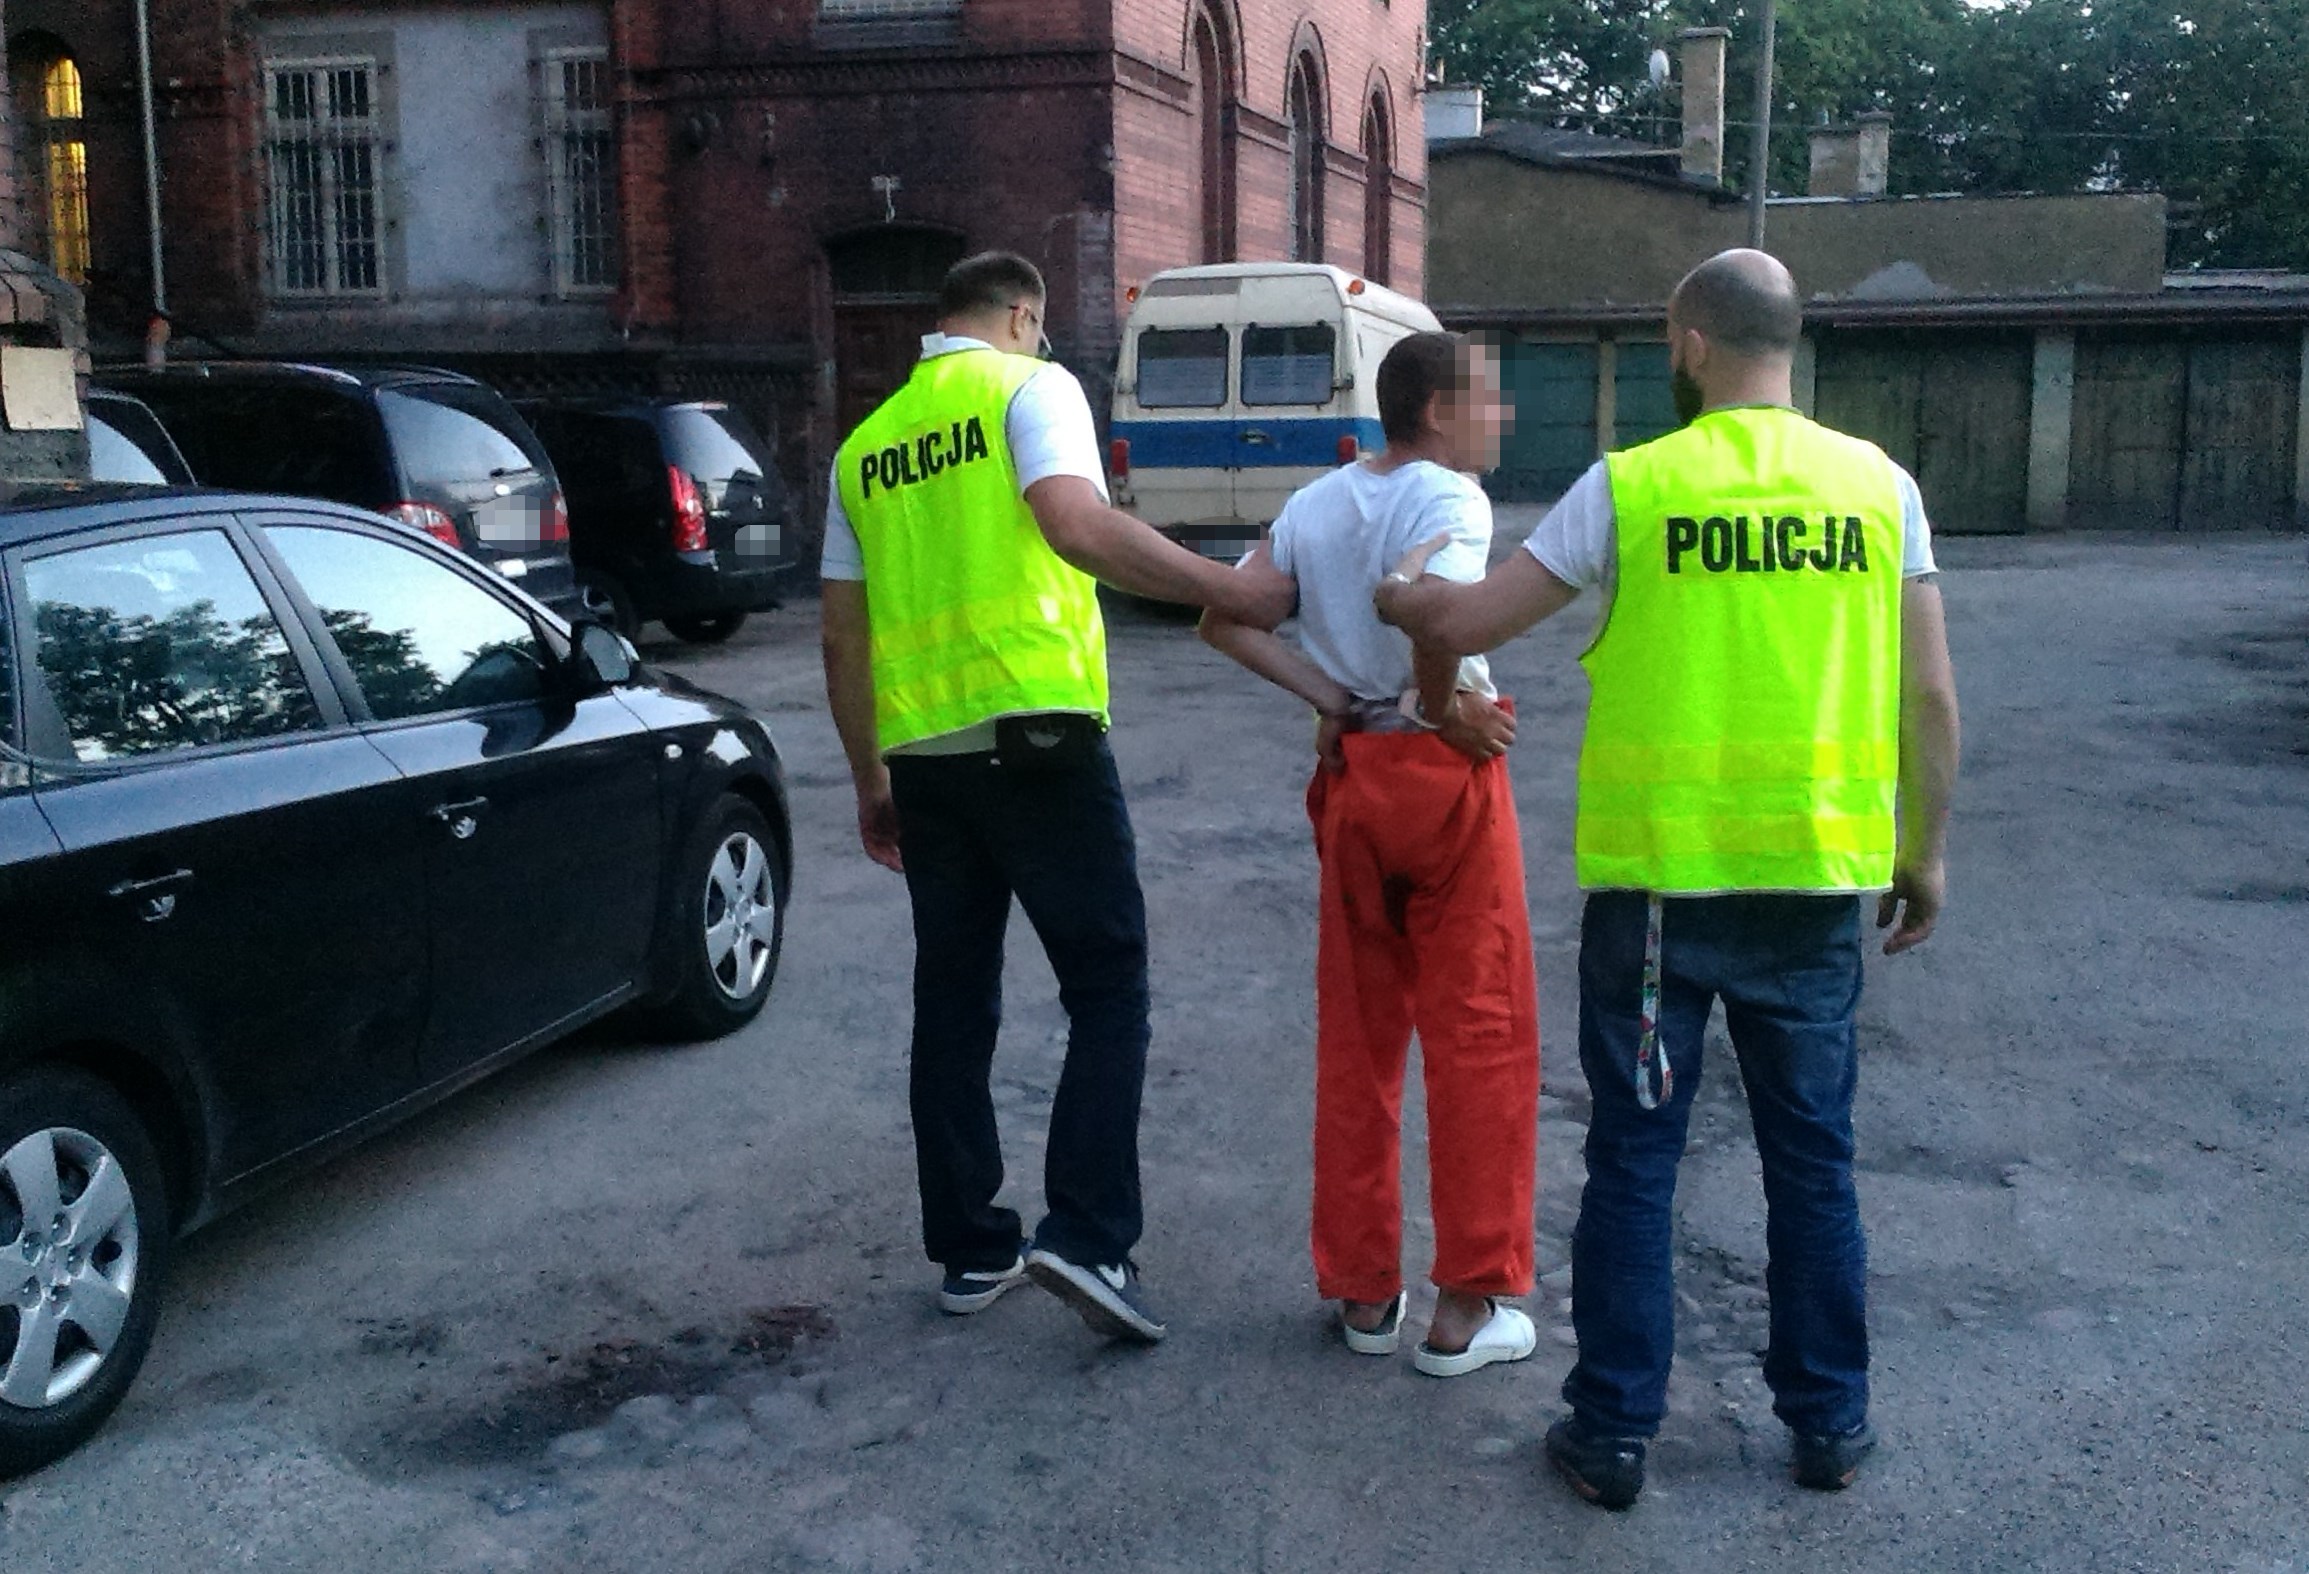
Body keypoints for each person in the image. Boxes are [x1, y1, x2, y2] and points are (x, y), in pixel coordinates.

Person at [1376, 250, 1961, 1506]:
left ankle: (1611, 1431)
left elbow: (1467, 625)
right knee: (1813, 1161)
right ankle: (1828, 1422)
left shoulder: (1630, 486)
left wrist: (1399, 591)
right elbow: (1927, 693)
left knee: (1636, 1160)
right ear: (1787, 341)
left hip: (1655, 896)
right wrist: (1921, 850)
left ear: (1690, 343)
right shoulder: (1879, 488)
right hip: (1812, 881)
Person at [819, 251, 1292, 1346]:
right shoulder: (1030, 388)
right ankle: (1087, 1235)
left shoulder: (864, 447)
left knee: (953, 1000)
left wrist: (868, 776)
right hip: (1038, 736)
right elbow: (1077, 525)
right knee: (1106, 983)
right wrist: (1232, 590)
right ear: (1022, 315)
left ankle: (969, 1247)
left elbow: (843, 634)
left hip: (925, 755)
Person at [1197, 333, 1543, 1376]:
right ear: (1437, 409)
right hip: (1443, 777)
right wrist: (1439, 710)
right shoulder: (1452, 499)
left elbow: (1225, 618)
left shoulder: (1316, 503)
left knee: (1358, 1039)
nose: (1504, 419)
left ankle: (1361, 1290)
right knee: (1477, 1035)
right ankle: (1466, 1305)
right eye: (1489, 399)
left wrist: (1334, 699)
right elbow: (1437, 621)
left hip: (1356, 778)